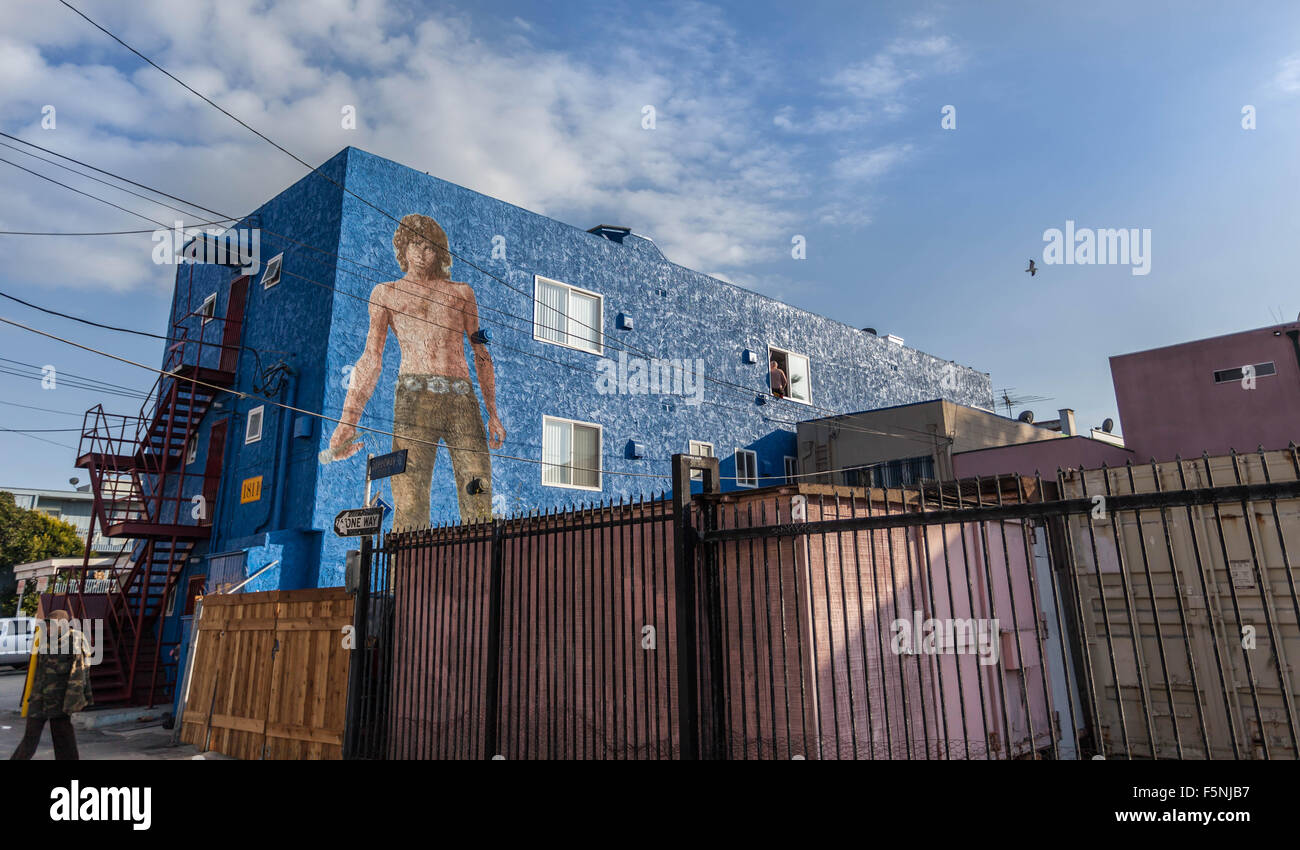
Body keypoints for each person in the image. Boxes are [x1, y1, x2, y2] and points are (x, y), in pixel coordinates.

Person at [325, 214, 505, 528]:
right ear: (403, 248)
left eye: (429, 247)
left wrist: (493, 412)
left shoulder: (462, 293)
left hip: (460, 396)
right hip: (413, 396)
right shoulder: (386, 293)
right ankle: (404, 575)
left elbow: (480, 351)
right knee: (408, 497)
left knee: (477, 488)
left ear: (440, 253)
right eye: (415, 244)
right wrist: (347, 420)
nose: (422, 253)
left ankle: (484, 569)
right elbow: (371, 359)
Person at [11, 610, 93, 760]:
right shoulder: (44, 640)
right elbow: (38, 671)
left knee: (64, 739)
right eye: (47, 626)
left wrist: (73, 702)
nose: (48, 629)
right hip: (39, 698)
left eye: (52, 626)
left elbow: (79, 674)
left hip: (60, 700)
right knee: (30, 737)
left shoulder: (75, 641)